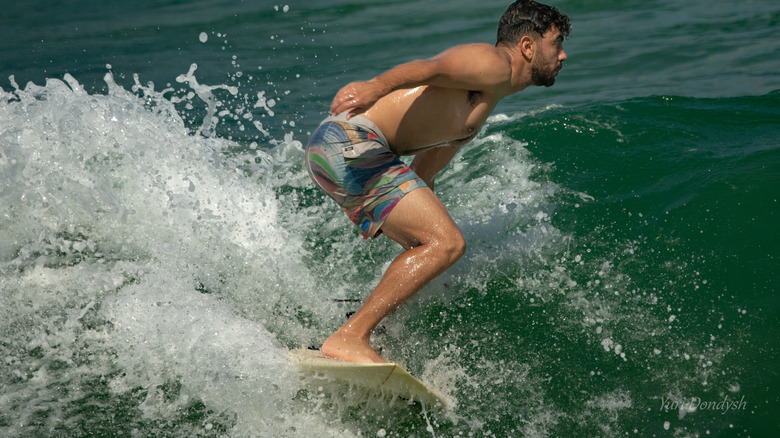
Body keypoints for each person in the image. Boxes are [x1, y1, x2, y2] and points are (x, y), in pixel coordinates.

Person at [305, 0, 570, 363]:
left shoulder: (476, 109)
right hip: (350, 141)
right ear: (527, 46)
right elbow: (429, 68)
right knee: (447, 243)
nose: (563, 55)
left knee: (434, 249)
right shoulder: (493, 63)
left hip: (337, 150)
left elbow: (422, 175)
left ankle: (361, 329)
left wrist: (432, 259)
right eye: (557, 43)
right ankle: (351, 336)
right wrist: (374, 87)